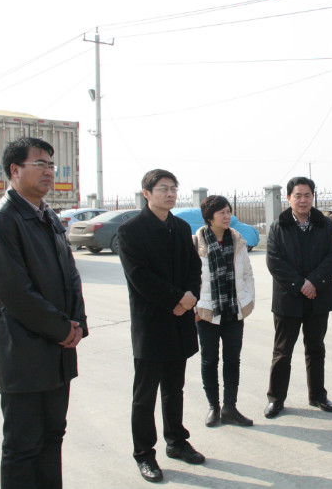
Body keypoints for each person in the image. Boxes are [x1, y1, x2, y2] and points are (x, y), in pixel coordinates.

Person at [0, 136, 88, 489]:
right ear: (14, 170)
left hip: (57, 351)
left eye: (51, 165)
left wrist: (78, 323)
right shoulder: (2, 220)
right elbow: (14, 292)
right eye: (40, 164)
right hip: (22, 352)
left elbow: (70, 274)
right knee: (23, 444)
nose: (49, 172)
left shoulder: (49, 217)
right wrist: (62, 329)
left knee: (53, 434)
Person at [117, 169, 204, 483]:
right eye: (163, 188)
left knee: (174, 389)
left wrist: (190, 296)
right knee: (145, 395)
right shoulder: (131, 231)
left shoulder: (180, 227)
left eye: (173, 189)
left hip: (180, 319)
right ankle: (144, 454)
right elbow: (139, 276)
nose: (170, 194)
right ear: (146, 193)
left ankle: (176, 441)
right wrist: (177, 299)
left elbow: (194, 265)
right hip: (152, 322)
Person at [264, 177, 332, 419]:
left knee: (316, 349)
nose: (303, 200)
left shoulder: (325, 224)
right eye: (298, 195)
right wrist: (300, 285)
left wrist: (314, 282)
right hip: (288, 299)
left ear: (313, 197)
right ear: (289, 198)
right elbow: (274, 261)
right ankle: (276, 399)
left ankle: (317, 395)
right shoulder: (278, 226)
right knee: (282, 351)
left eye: (307, 195)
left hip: (318, 297)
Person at [193, 195, 255, 428]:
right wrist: (196, 307)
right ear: (209, 217)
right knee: (209, 360)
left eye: (229, 211)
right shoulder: (197, 242)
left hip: (233, 311)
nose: (227, 216)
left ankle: (230, 407)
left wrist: (247, 301)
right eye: (222, 212)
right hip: (206, 312)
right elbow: (191, 278)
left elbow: (247, 274)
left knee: (232, 360)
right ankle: (213, 406)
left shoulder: (237, 240)